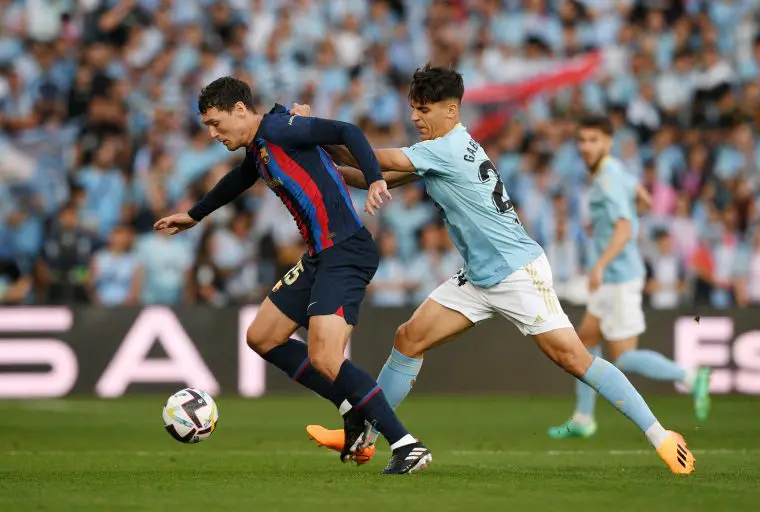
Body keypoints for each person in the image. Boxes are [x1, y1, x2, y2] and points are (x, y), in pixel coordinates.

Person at [299, 65, 695, 474]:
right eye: (413, 109)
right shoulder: (443, 148)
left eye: (424, 109)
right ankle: (366, 437)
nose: (416, 117)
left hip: (516, 271)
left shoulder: (446, 148)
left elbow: (365, 157)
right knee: (409, 337)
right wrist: (315, 163)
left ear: (451, 111)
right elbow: (368, 174)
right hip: (479, 274)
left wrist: (308, 131)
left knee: (574, 358)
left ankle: (663, 437)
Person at [154, 77, 430, 475]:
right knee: (262, 336)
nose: (213, 134)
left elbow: (345, 131)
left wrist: (374, 178)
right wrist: (195, 214)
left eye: (216, 123)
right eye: (207, 127)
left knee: (324, 356)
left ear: (239, 111)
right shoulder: (260, 145)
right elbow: (240, 178)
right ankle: (350, 406)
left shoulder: (280, 130)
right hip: (320, 255)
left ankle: (406, 444)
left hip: (346, 250)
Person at [547, 117, 711, 441]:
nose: (585, 146)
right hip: (615, 277)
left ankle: (692, 377)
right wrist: (623, 215)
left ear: (608, 142)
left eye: (593, 139)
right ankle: (583, 417)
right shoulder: (616, 170)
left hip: (618, 278)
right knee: (585, 342)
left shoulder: (607, 178)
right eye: (582, 139)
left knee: (622, 357)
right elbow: (642, 200)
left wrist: (600, 264)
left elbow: (624, 227)